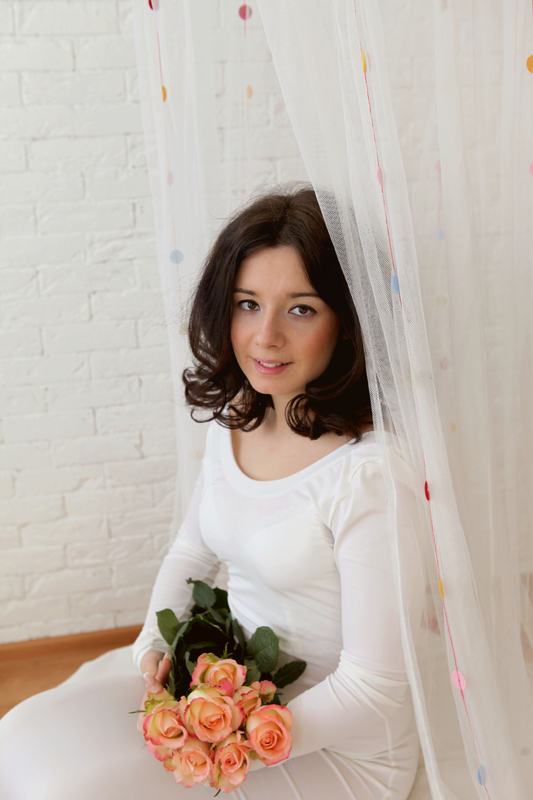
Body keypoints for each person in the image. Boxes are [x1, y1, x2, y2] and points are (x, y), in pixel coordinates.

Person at [0, 187, 426, 800]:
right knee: (21, 736)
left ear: (347, 324)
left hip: (342, 750)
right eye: (248, 304)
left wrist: (233, 742)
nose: (265, 336)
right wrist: (153, 646)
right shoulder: (236, 422)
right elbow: (192, 550)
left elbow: (373, 688)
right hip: (228, 699)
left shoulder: (370, 477)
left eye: (301, 309)